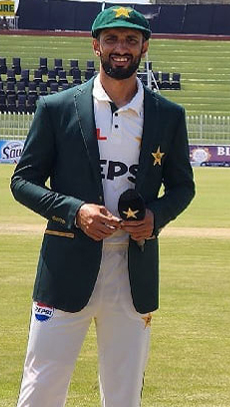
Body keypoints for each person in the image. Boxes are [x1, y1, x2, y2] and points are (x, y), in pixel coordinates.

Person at [10, 6, 195, 406]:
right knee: (41, 387)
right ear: (95, 45)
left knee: (124, 392)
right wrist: (75, 210)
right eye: (111, 39)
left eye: (130, 40)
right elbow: (21, 181)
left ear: (145, 46)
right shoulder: (57, 108)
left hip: (133, 273)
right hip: (65, 269)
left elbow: (183, 187)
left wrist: (155, 217)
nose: (121, 48)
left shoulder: (168, 116)